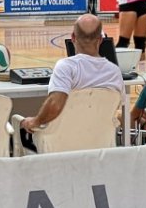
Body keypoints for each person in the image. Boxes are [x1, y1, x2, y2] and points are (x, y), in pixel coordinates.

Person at [20, 14, 127, 149]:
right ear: (100, 39)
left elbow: (55, 104)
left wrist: (35, 122)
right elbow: (119, 110)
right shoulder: (114, 72)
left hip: (61, 146)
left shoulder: (66, 67)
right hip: (99, 145)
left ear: (73, 37)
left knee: (21, 128)